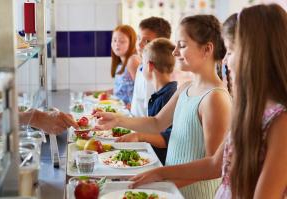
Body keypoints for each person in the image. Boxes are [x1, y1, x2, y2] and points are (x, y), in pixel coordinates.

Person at [129, 4, 287, 199]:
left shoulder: (281, 120)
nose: (226, 61)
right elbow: (214, 164)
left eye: (230, 51)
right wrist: (160, 173)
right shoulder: (247, 108)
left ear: (255, 53)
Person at [94, 14, 232, 199]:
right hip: (174, 190)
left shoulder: (215, 98)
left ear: (207, 49)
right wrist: (118, 120)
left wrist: (162, 179)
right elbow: (157, 123)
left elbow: (213, 167)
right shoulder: (186, 88)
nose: (174, 52)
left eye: (181, 45)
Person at [116, 38, 177, 164]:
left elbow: (169, 137)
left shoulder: (169, 95)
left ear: (149, 66)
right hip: (154, 159)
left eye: (142, 64)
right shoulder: (160, 93)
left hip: (162, 164)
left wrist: (139, 136)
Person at [130, 17, 171, 117]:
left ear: (161, 45)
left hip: (142, 131)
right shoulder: (142, 65)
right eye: (138, 38)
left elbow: (151, 117)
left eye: (147, 41)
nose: (139, 44)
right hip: (133, 126)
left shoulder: (153, 74)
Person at [110, 24, 140, 105]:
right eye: (114, 40)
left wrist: (132, 106)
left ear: (131, 43)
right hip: (121, 110)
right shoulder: (120, 64)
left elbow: (142, 91)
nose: (117, 44)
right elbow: (119, 91)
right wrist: (95, 93)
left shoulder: (132, 60)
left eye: (122, 41)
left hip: (131, 114)